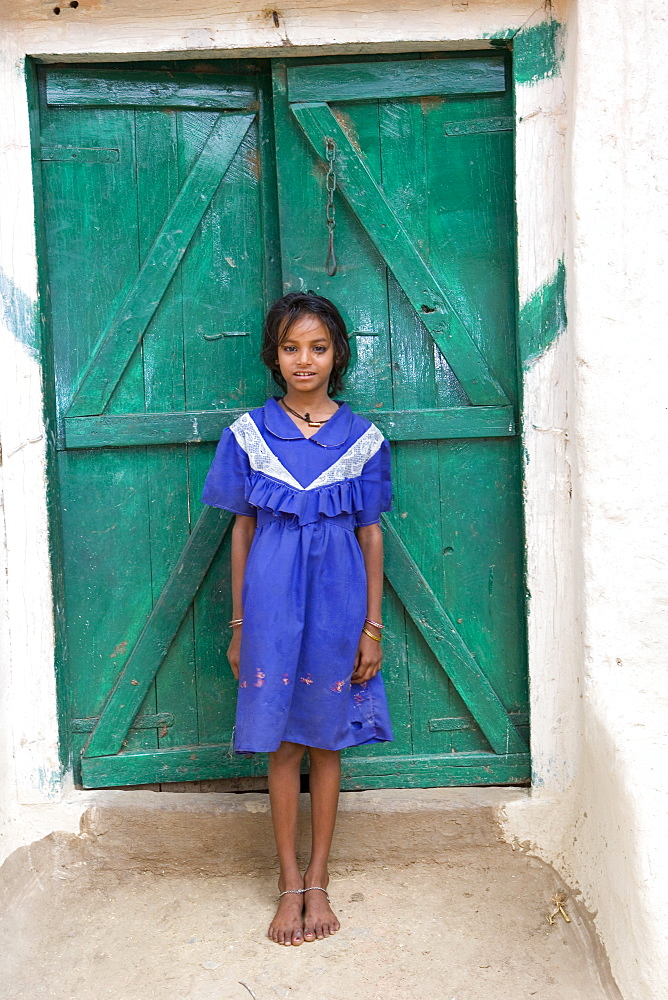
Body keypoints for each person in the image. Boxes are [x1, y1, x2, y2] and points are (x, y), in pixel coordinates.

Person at [202, 291, 393, 946]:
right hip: (271, 613)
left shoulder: (362, 440)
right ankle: (287, 882)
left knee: (326, 741)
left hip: (339, 611)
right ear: (273, 356)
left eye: (317, 347)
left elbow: (371, 536)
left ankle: (320, 878)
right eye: (290, 348)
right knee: (282, 745)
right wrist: (238, 626)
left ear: (337, 353)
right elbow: (241, 532)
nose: (303, 360)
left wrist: (372, 627)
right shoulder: (249, 436)